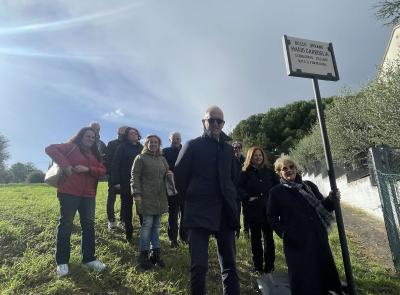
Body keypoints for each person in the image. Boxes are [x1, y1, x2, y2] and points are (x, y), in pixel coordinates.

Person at [175, 106, 240, 295]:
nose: (215, 124)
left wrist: (231, 197)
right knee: (199, 266)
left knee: (229, 265)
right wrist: (192, 198)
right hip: (198, 211)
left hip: (225, 213)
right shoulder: (192, 145)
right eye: (211, 120)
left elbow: (234, 178)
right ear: (203, 122)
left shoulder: (228, 150)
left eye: (219, 121)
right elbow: (180, 178)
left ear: (223, 124)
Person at [267, 155, 343, 295]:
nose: (289, 170)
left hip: (317, 236)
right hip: (295, 241)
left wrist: (331, 199)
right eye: (285, 169)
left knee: (321, 271)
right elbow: (271, 217)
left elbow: (323, 206)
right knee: (303, 275)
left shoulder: (309, 186)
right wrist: (284, 233)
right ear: (279, 172)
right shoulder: (276, 192)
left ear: (296, 169)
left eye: (291, 167)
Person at [45, 127, 106, 278]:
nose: (91, 139)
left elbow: (102, 171)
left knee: (89, 226)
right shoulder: (71, 147)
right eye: (88, 136)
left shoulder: (95, 155)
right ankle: (62, 262)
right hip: (68, 193)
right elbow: (50, 148)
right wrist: (65, 165)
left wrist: (87, 169)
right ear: (80, 136)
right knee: (66, 225)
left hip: (89, 195)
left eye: (94, 137)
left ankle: (88, 259)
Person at [131, 135, 169, 270]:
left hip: (160, 198)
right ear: (146, 144)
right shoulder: (140, 158)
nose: (153, 144)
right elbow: (134, 176)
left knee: (156, 226)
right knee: (147, 225)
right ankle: (143, 255)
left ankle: (155, 254)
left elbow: (167, 173)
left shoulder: (162, 159)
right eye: (150, 142)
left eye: (156, 142)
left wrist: (170, 175)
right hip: (146, 197)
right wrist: (136, 193)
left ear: (159, 145)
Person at [238, 147, 279, 274]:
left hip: (268, 210)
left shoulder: (270, 172)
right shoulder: (244, 173)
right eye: (255, 155)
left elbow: (277, 188)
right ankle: (257, 266)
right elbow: (239, 188)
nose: (258, 157)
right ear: (250, 157)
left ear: (263, 157)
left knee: (269, 239)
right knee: (255, 240)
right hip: (253, 211)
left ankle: (270, 266)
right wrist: (247, 197)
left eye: (260, 155)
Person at [111, 127, 143, 242]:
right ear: (127, 136)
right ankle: (129, 233)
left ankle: (145, 232)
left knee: (141, 209)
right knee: (127, 208)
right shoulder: (122, 147)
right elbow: (115, 164)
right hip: (125, 183)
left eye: (135, 133)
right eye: (130, 134)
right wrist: (116, 181)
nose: (133, 135)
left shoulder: (142, 148)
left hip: (140, 183)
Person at [162, 131, 187, 248]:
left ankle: (184, 236)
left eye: (178, 138)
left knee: (185, 214)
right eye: (174, 138)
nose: (176, 140)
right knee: (173, 214)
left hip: (185, 187)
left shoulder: (186, 150)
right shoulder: (165, 152)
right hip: (172, 187)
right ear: (170, 140)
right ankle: (173, 239)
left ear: (181, 139)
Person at [105, 126, 128, 231]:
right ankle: (111, 220)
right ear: (118, 133)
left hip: (126, 177)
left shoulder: (129, 144)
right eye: (121, 133)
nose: (122, 135)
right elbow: (109, 162)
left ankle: (123, 220)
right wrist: (113, 177)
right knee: (111, 199)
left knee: (125, 200)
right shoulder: (111, 144)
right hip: (114, 176)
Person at [232, 141, 249, 238]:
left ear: (241, 148)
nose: (237, 149)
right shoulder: (230, 159)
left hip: (245, 189)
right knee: (236, 211)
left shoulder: (245, 160)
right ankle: (237, 232)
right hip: (235, 189)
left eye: (238, 147)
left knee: (246, 211)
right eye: (235, 148)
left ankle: (246, 233)